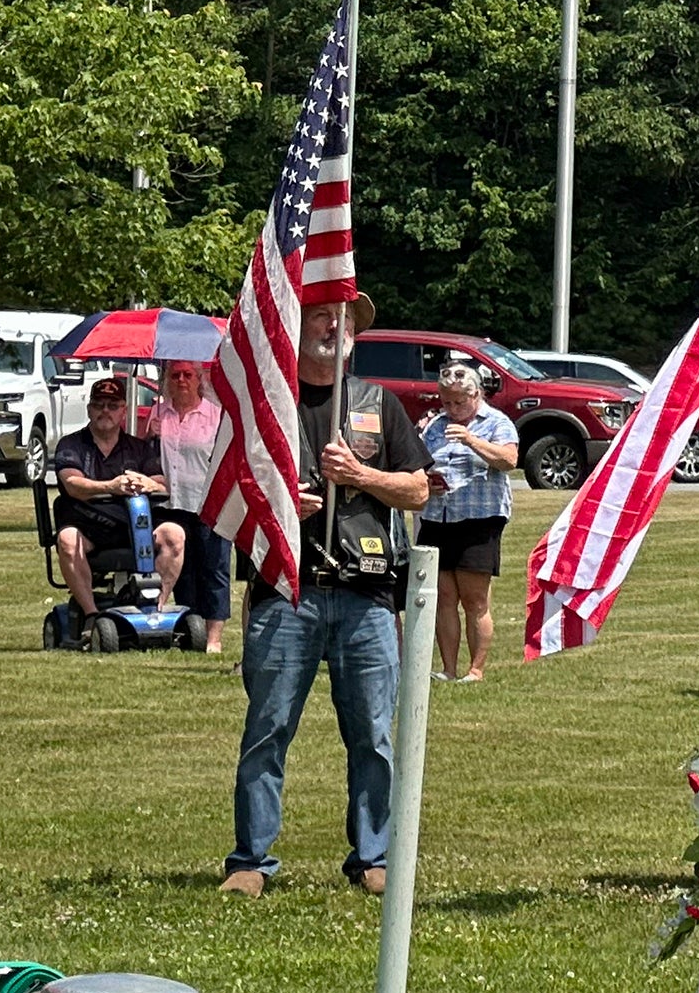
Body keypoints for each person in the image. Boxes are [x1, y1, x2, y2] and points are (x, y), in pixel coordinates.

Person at [221, 296, 435, 898]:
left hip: (366, 597)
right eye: (320, 316)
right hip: (285, 593)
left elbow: (418, 490)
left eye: (345, 320)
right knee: (267, 730)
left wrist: (361, 477)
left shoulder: (376, 403)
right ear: (298, 328)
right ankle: (250, 861)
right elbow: (230, 491)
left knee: (372, 735)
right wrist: (281, 501)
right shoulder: (269, 407)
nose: (333, 326)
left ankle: (373, 857)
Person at [417, 360, 519, 682]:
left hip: (479, 518)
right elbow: (419, 460)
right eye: (447, 401)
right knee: (443, 597)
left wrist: (471, 440)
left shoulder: (496, 423)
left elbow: (509, 460)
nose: (453, 408)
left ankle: (476, 670)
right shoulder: (435, 425)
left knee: (474, 599)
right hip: (438, 515)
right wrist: (426, 479)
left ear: (476, 395)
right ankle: (448, 668)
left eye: (459, 401)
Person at [51, 376, 171, 622]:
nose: (105, 411)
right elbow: (72, 484)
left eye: (113, 405)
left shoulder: (139, 448)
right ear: (89, 409)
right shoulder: (71, 445)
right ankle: (91, 615)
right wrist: (112, 486)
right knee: (67, 539)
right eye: (99, 404)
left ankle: (154, 608)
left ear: (124, 411)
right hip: (88, 529)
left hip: (133, 529)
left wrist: (148, 484)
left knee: (175, 535)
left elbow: (162, 485)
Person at [152, 356, 231, 655]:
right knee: (181, 569)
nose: (181, 381)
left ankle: (213, 637)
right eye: (175, 376)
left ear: (200, 380)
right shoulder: (160, 414)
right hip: (171, 503)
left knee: (214, 568)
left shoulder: (216, 415)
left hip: (208, 502)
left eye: (187, 375)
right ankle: (188, 627)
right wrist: (150, 435)